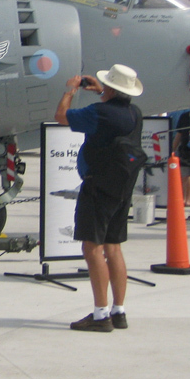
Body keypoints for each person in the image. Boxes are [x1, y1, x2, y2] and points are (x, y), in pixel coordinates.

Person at [55, 64, 145, 333]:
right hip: (122, 187)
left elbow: (61, 116)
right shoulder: (134, 113)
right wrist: (102, 92)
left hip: (98, 186)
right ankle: (118, 310)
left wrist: (71, 90)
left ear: (111, 88)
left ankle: (100, 314)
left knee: (92, 248)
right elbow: (111, 111)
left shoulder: (99, 112)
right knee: (113, 248)